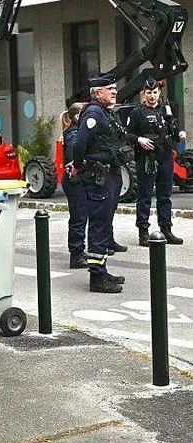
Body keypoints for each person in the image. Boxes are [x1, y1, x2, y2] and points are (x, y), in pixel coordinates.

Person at [71, 75, 127, 293]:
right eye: (109, 89)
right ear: (97, 93)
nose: (114, 92)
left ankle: (102, 270)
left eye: (114, 88)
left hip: (108, 175)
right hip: (98, 177)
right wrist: (77, 165)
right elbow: (79, 144)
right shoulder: (94, 113)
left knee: (104, 224)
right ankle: (97, 278)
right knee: (99, 226)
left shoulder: (104, 112)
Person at [126, 77, 186, 246]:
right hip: (147, 158)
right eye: (148, 93)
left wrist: (179, 134)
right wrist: (139, 140)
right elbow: (127, 135)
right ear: (143, 94)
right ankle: (143, 233)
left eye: (154, 92)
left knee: (165, 196)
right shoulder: (137, 112)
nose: (152, 96)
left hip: (165, 156)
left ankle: (166, 229)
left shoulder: (165, 110)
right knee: (144, 196)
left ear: (159, 93)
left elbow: (172, 131)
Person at [61, 102, 88, 268]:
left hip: (76, 180)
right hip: (74, 180)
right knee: (78, 217)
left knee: (81, 216)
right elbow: (73, 159)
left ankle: (79, 250)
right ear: (78, 117)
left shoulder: (76, 132)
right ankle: (76, 254)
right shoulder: (73, 134)